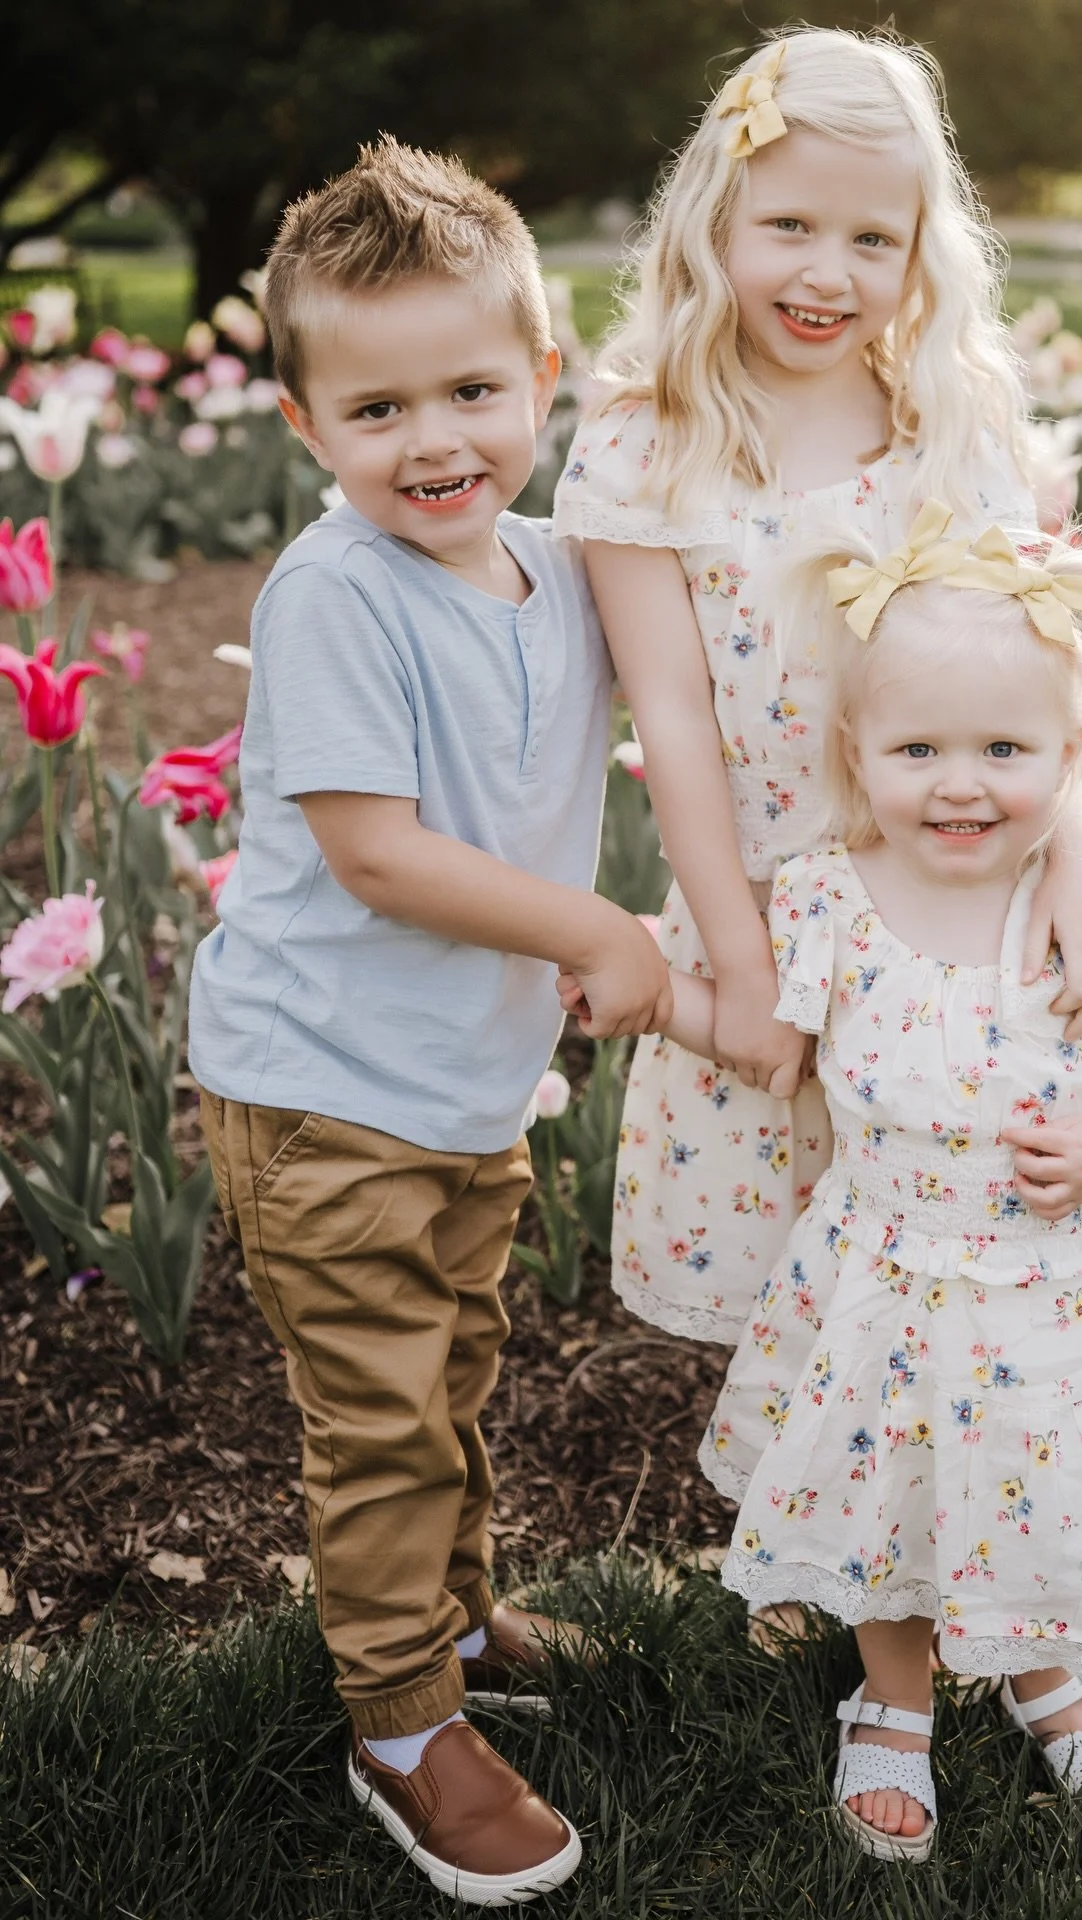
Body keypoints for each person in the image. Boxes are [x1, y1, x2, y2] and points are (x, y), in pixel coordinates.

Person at [568, 505, 1082, 1857]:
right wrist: (652, 991)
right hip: (886, 1274)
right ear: (855, 752)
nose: (962, 783)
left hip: (1054, 1281)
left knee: (1038, 1489)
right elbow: (768, 1050)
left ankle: (1045, 1675)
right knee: (892, 1492)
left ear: (1069, 754)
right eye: (920, 749)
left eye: (1004, 749)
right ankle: (896, 1693)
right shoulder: (830, 901)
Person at [189, 136, 671, 1907]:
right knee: (383, 1416)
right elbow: (380, 858)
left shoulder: (550, 566)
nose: (436, 440)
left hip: (460, 1090)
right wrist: (595, 925)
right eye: (379, 409)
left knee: (451, 1371)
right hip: (324, 1095)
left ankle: (452, 1620)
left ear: (545, 379)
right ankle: (399, 1722)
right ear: (308, 430)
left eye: (474, 387)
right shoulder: (336, 594)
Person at [552, 30, 1082, 1483]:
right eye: (790, 227)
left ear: (923, 251)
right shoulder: (648, 440)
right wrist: (743, 963)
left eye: (871, 238)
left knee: (951, 1214)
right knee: (801, 1245)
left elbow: (1032, 672)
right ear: (717, 225)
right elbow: (672, 720)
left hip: (947, 894)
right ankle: (814, 1526)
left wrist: (1080, 853)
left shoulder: (944, 421)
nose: (826, 271)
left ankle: (969, 1506)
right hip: (762, 888)